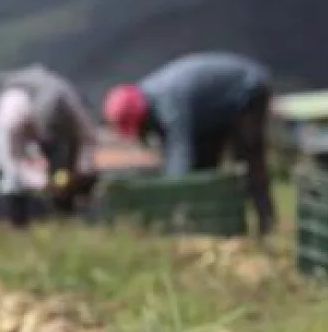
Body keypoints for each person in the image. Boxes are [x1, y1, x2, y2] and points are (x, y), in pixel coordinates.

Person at [103, 52, 276, 236]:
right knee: (204, 168)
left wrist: (167, 202)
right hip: (211, 110)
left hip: (247, 89)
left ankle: (267, 224)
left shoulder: (170, 104)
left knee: (248, 159)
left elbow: (180, 155)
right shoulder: (150, 98)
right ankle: (212, 226)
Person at [0, 64, 99, 227]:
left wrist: (82, 168)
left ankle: (70, 216)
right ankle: (17, 226)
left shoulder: (70, 102)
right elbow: (14, 162)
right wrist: (42, 182)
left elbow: (88, 137)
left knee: (69, 168)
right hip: (10, 125)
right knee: (12, 181)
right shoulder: (10, 115)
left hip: (56, 123)